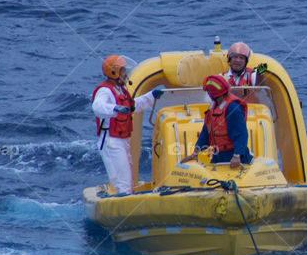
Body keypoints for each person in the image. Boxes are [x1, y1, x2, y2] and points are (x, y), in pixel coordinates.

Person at [92, 55, 164, 194]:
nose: (126, 74)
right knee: (123, 182)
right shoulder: (105, 91)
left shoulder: (121, 91)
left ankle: (126, 199)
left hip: (122, 140)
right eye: (123, 71)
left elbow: (133, 106)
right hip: (112, 141)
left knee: (127, 180)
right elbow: (98, 106)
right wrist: (114, 109)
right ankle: (123, 207)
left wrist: (151, 96)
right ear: (114, 72)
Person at [180, 74, 253, 169]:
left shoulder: (232, 108)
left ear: (212, 93)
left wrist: (237, 155)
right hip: (219, 155)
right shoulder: (213, 108)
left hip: (235, 157)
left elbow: (241, 133)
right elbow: (206, 132)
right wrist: (195, 153)